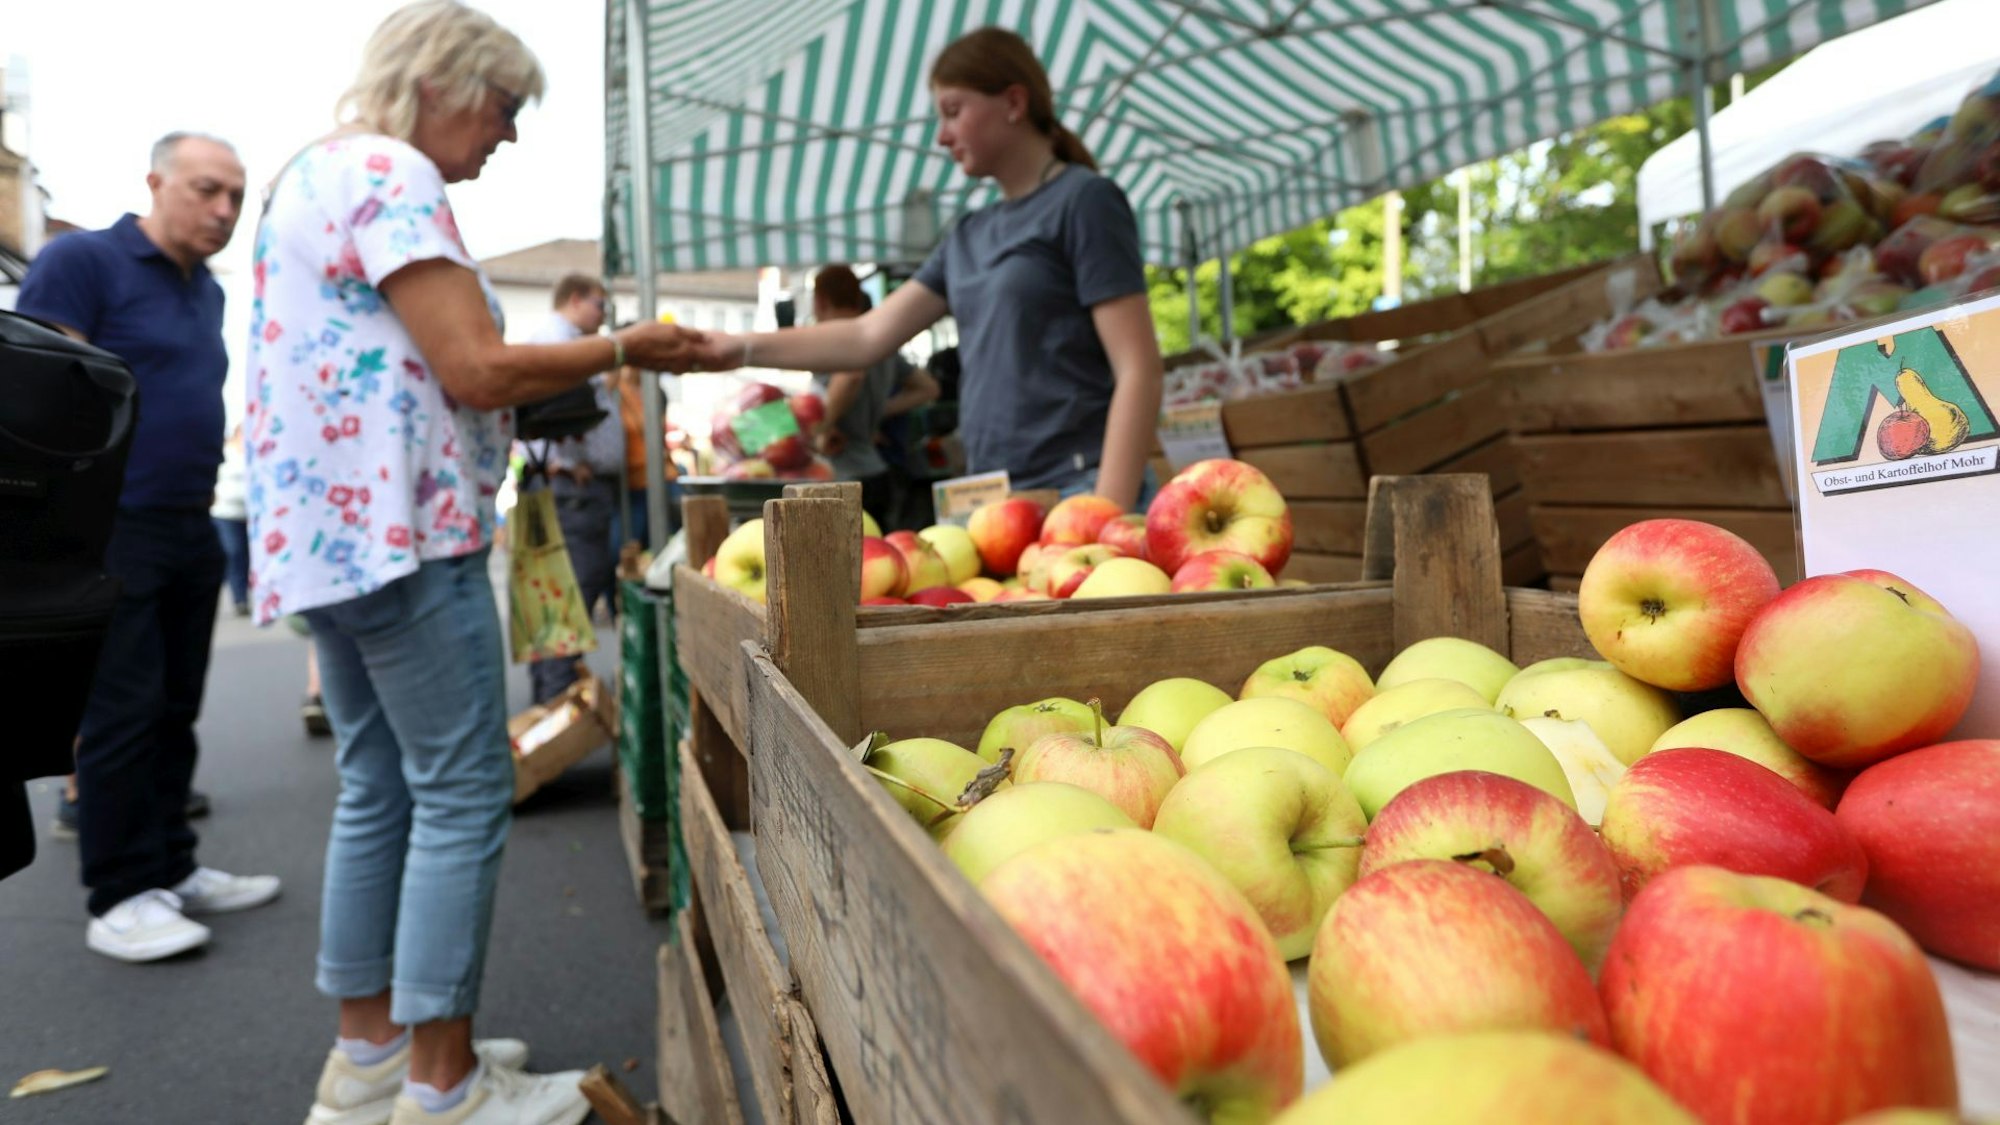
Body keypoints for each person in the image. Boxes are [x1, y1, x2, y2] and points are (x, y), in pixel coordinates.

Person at [246, 5, 698, 1123]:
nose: (506, 133)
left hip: (332, 540)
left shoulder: (312, 173)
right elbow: (476, 367)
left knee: (377, 786)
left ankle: (370, 1058)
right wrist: (623, 347)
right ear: (442, 82)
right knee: (459, 792)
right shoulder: (393, 171)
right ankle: (443, 1087)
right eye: (502, 106)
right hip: (408, 533)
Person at [690, 27, 1164, 511]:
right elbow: (866, 336)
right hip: (993, 497)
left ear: (1014, 103)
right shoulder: (968, 234)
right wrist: (736, 348)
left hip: (1077, 488)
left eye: (953, 111)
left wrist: (1105, 512)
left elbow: (1139, 369)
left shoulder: (1084, 201)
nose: (942, 136)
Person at [13, 131, 277, 963]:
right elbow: (37, 389)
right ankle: (121, 893)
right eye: (206, 190)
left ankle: (171, 866)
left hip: (190, 517)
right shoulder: (83, 261)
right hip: (110, 525)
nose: (224, 210)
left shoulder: (208, 290)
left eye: (235, 196)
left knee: (173, 705)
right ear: (155, 182)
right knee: (122, 712)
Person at [523, 274, 622, 704]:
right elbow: (550, 409)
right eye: (600, 305)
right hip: (571, 489)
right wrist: (566, 461)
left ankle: (552, 706)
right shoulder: (561, 342)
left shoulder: (558, 340)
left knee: (555, 601)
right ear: (576, 299)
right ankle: (558, 706)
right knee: (567, 601)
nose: (603, 315)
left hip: (564, 486)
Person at [806, 265, 940, 527]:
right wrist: (879, 410)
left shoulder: (833, 337)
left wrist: (822, 428)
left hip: (843, 476)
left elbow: (851, 375)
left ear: (820, 301)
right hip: (876, 470)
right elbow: (929, 388)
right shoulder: (881, 344)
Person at [213, 425, 251, 617]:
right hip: (226, 513)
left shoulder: (254, 453)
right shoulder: (226, 453)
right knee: (234, 552)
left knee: (247, 557)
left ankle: (246, 594)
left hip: (249, 514)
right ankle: (239, 598)